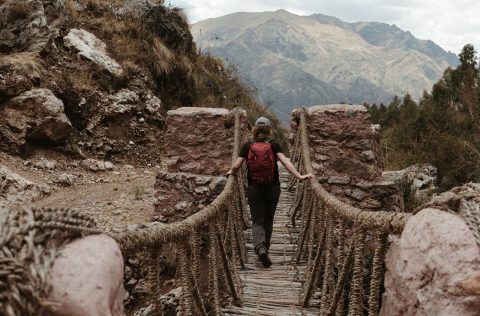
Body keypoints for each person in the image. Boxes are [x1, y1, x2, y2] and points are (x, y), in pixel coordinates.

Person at [227, 117, 313, 268]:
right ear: (268, 131)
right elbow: (285, 162)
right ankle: (265, 249)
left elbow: (236, 166)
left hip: (254, 189)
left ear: (254, 130)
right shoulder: (273, 144)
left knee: (257, 220)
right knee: (269, 219)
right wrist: (299, 176)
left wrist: (230, 172)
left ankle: (260, 248)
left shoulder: (248, 145)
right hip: (273, 188)